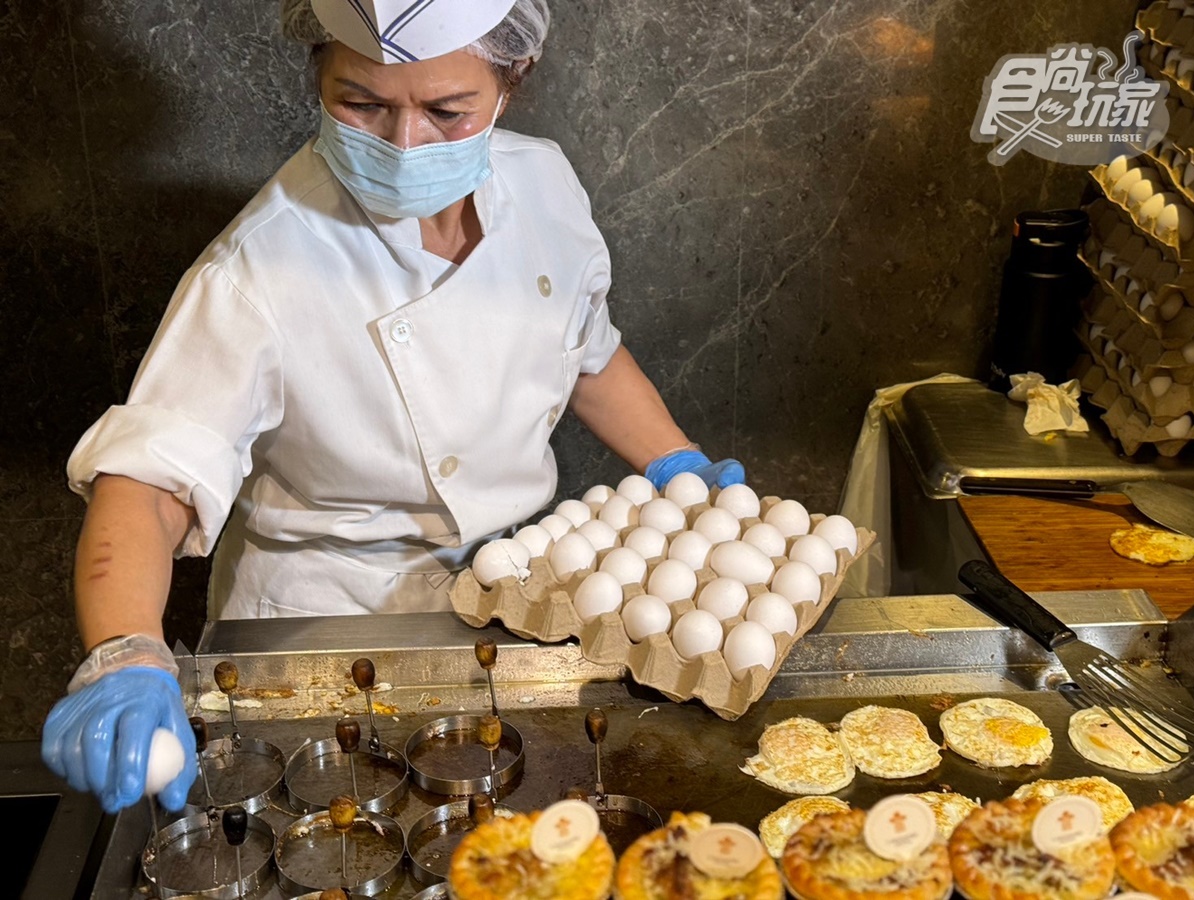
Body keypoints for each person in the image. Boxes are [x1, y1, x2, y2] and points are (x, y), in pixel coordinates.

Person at [41, 0, 746, 815]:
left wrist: (677, 464)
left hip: (522, 602)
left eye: (448, 111)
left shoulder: (543, 183)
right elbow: (149, 483)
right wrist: (126, 652)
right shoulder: (259, 266)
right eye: (361, 104)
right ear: (318, 75)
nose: (403, 143)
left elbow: (587, 351)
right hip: (328, 634)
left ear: (510, 84)